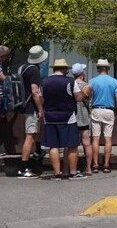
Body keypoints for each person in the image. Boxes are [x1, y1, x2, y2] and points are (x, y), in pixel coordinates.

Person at [42, 59, 85, 180]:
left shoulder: (45, 82)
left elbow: (41, 98)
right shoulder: (70, 82)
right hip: (68, 117)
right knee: (72, 145)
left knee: (53, 146)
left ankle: (57, 173)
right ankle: (73, 172)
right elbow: (78, 98)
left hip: (50, 116)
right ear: (65, 69)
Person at [18, 45, 47, 179]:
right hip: (31, 106)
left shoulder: (23, 68)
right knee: (30, 136)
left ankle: (38, 151)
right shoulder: (34, 70)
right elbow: (35, 91)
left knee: (34, 133)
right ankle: (23, 168)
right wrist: (40, 109)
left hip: (25, 105)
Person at [89, 59, 117, 174]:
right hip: (109, 110)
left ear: (98, 68)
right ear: (108, 69)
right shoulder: (113, 81)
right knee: (108, 138)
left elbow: (89, 96)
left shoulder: (92, 81)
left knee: (95, 138)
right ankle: (106, 164)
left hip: (96, 109)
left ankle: (95, 164)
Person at [71, 63, 93, 176]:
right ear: (81, 73)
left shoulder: (70, 84)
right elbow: (89, 100)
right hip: (83, 115)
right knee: (86, 142)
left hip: (72, 115)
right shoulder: (87, 86)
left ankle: (68, 168)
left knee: (70, 144)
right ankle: (88, 168)